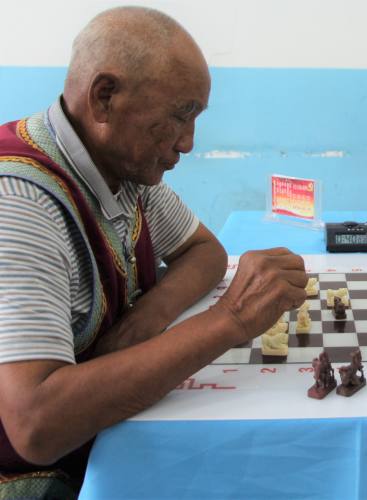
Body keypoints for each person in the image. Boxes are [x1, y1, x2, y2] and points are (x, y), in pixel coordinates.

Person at [0, 7, 307, 498]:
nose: (188, 142)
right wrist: (231, 319)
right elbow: (36, 427)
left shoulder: (120, 168)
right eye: (180, 115)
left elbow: (204, 251)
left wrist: (141, 324)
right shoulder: (20, 204)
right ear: (105, 97)